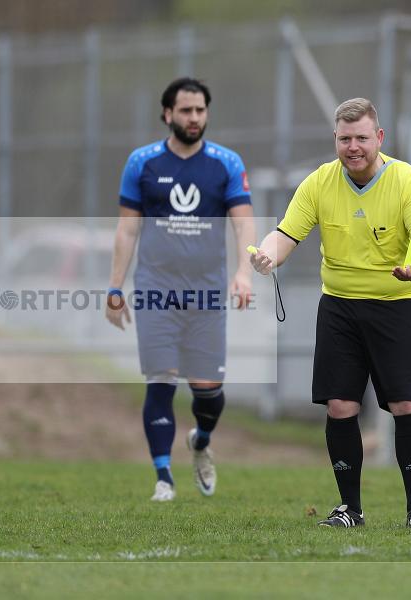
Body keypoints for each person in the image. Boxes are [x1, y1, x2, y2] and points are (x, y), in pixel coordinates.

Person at [250, 98, 411, 528]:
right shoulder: (320, 182)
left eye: (361, 138)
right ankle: (349, 509)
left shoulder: (407, 182)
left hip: (397, 304)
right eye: (344, 138)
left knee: (406, 403)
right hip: (338, 306)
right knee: (339, 406)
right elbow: (286, 233)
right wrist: (267, 256)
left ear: (379, 138)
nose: (353, 147)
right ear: (334, 139)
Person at [106, 77, 255, 502]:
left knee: (208, 393)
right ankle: (163, 479)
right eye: (186, 110)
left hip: (208, 295)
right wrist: (115, 287)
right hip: (155, 291)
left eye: (200, 110)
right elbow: (127, 229)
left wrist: (244, 272)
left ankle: (201, 442)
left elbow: (243, 222)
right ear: (167, 114)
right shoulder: (142, 163)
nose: (194, 118)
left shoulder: (226, 163)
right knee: (161, 380)